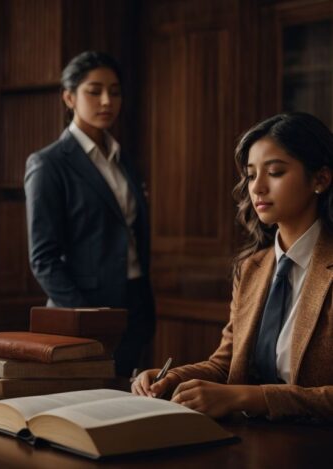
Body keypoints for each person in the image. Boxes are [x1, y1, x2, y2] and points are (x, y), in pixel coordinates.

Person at [132, 112, 333, 422]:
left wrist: (248, 397)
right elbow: (227, 364)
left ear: (320, 179)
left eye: (275, 172)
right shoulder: (251, 267)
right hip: (247, 441)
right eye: (251, 175)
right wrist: (171, 378)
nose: (258, 188)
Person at [24, 51, 155, 377]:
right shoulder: (49, 163)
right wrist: (86, 314)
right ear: (69, 97)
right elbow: (43, 258)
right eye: (94, 91)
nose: (107, 100)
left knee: (126, 401)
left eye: (115, 91)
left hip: (135, 301)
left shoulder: (122, 159)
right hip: (83, 309)